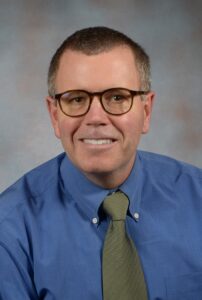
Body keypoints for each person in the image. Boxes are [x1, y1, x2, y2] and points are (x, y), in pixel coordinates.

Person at [0, 26, 201, 300]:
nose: (96, 118)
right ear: (54, 115)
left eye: (117, 97)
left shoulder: (197, 198)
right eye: (77, 99)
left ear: (146, 110)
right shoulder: (9, 227)